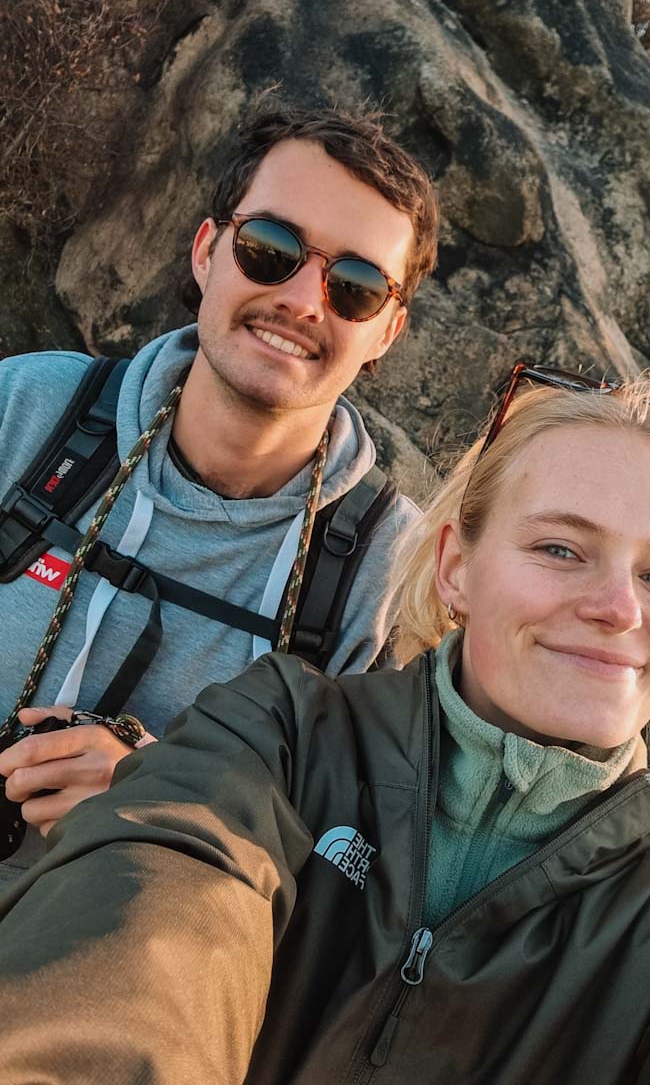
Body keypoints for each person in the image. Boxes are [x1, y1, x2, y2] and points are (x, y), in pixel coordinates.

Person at [0, 363, 650, 1084]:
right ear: (458, 569)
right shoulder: (278, 735)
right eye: (560, 549)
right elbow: (146, 928)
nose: (619, 607)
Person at [0, 104, 438, 884]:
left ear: (386, 333)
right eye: (271, 248)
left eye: (357, 286)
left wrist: (165, 794)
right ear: (208, 252)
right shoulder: (28, 412)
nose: (304, 302)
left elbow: (362, 863)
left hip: (120, 979)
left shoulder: (390, 575)